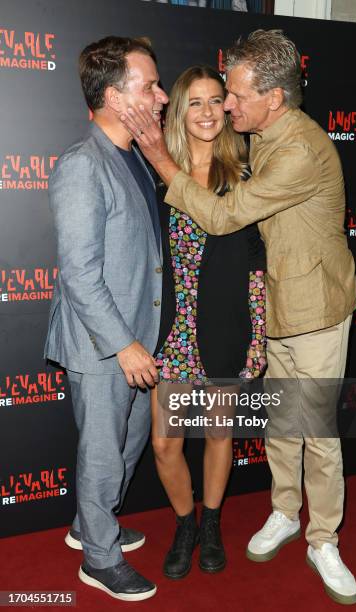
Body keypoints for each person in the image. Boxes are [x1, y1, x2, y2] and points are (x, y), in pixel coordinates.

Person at [121, 29, 356, 606]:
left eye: (232, 95)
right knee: (277, 427)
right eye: (205, 98)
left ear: (273, 99)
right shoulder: (258, 142)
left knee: (318, 433)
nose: (225, 106)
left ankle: (323, 539)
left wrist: (160, 159)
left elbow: (227, 220)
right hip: (264, 311)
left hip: (312, 311)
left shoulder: (290, 152)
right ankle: (282, 512)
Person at [44, 35, 168, 602]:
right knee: (101, 451)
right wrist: (122, 344)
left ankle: (89, 524)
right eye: (150, 86)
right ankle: (98, 557)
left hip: (138, 339)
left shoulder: (136, 155)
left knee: (128, 442)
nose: (162, 96)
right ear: (116, 97)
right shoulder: (82, 164)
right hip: (103, 344)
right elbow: (80, 273)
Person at [151, 65, 266, 579]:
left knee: (220, 434)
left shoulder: (244, 177)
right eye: (193, 102)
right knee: (165, 443)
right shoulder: (157, 174)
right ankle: (185, 523)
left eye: (215, 100)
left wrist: (257, 335)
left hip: (225, 323)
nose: (205, 112)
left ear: (227, 107)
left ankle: (213, 522)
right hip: (171, 329)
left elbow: (257, 267)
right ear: (179, 110)